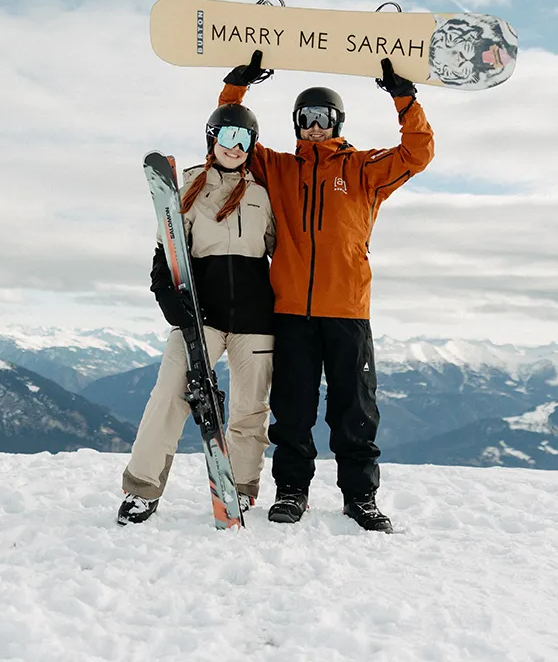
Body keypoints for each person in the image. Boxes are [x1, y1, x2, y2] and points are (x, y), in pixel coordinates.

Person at [218, 50, 434, 533]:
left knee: (354, 410)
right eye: (304, 120)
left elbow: (417, 154)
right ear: (295, 124)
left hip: (347, 311)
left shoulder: (362, 170)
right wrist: (237, 87)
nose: (313, 127)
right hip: (292, 311)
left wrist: (404, 97)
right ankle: (292, 491)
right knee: (292, 410)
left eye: (323, 119)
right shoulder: (279, 169)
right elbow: (231, 138)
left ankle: (361, 497)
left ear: (337, 122)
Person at [117, 102, 277, 525]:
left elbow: (283, 254)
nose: (235, 146)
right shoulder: (186, 186)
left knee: (249, 409)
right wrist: (169, 301)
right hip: (200, 317)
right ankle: (142, 490)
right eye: (227, 137)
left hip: (255, 321)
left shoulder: (263, 193)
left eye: (244, 140)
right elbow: (163, 253)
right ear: (212, 139)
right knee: (168, 395)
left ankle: (239, 490)